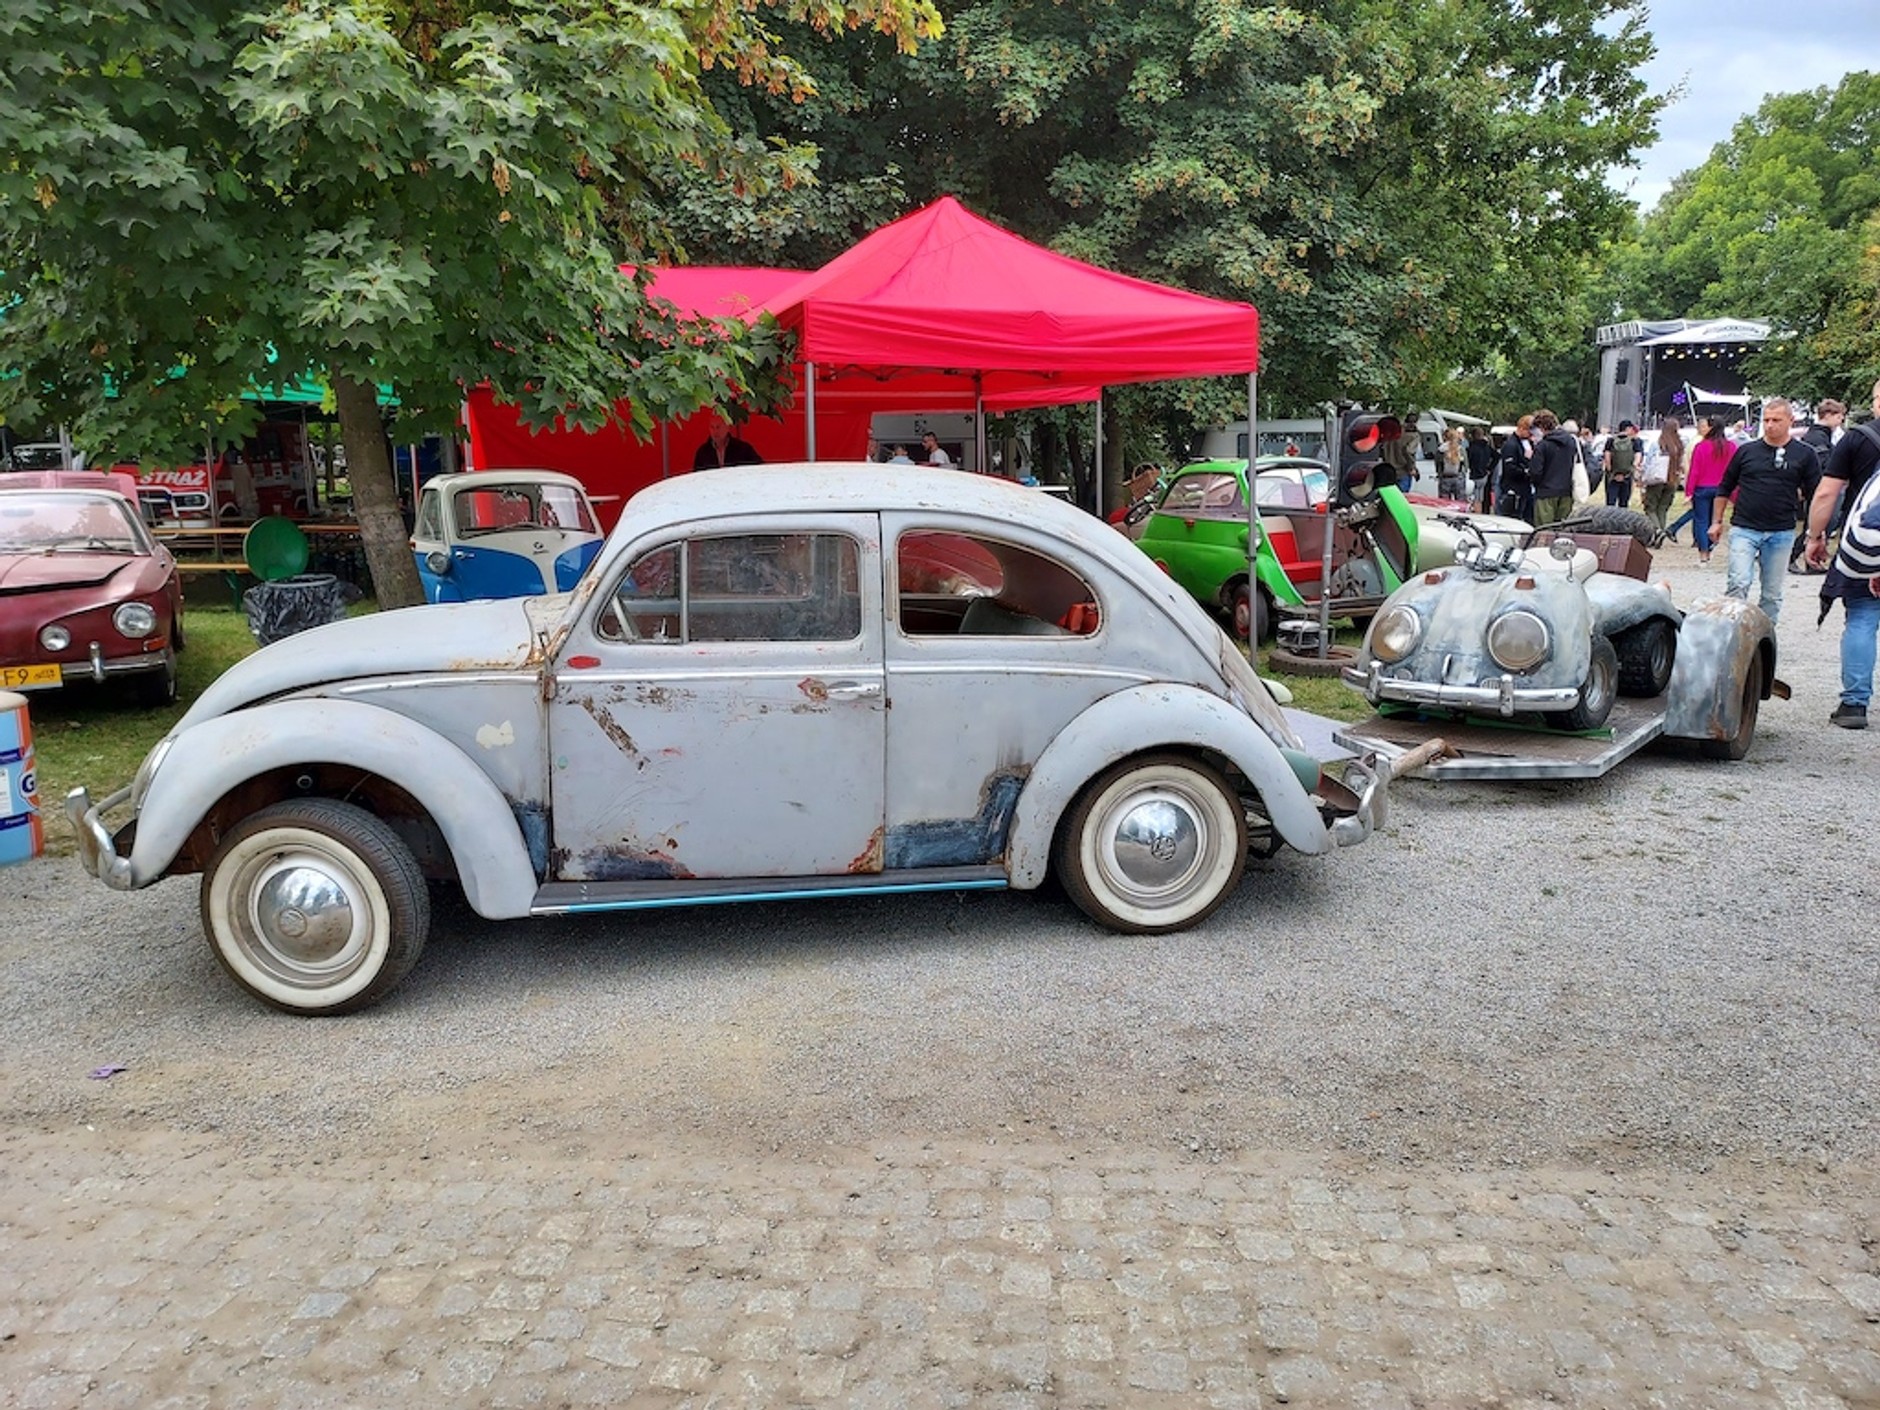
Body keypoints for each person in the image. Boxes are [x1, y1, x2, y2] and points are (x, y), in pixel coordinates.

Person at [1805, 380, 1880, 727]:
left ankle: (1854, 705)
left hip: (1867, 546)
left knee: (1862, 617)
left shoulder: (1858, 439)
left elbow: (1826, 494)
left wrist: (1814, 536)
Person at [1710, 397, 1822, 623]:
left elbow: (1816, 495)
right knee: (1738, 582)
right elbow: (1725, 486)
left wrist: (1816, 532)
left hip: (1781, 530)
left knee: (1771, 593)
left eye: (1776, 420)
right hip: (1744, 527)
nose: (1770, 425)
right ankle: (1731, 631)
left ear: (1790, 420)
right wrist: (1716, 521)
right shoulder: (1746, 451)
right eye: (1766, 420)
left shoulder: (1805, 454)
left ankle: (1765, 635)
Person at [1791, 397, 1846, 571]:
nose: (1841, 420)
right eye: (1839, 416)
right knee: (1816, 525)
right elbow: (1823, 464)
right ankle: (1793, 556)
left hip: (1814, 486)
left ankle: (1810, 561)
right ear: (1828, 415)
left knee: (1816, 525)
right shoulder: (1818, 437)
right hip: (1817, 487)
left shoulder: (1818, 435)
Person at [1528, 410, 1579, 526]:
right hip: (1566, 491)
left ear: (1541, 427)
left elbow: (1535, 472)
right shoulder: (1571, 442)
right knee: (1563, 529)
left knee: (1544, 530)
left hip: (1545, 493)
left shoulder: (1542, 445)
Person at [1639, 418, 1685, 534]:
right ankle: (1661, 530)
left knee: (1650, 508)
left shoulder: (1658, 444)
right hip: (1673, 479)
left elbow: (1648, 463)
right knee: (1662, 509)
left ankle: (1657, 531)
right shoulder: (1679, 446)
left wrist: (1642, 477)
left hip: (1657, 479)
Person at [693, 413, 763, 470]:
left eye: (718, 427)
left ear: (727, 427)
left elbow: (759, 468)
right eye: (712, 427)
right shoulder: (703, 452)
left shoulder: (743, 449)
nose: (715, 431)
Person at [1497, 415, 1534, 520]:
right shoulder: (1511, 445)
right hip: (1514, 490)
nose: (1531, 434)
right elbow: (1510, 468)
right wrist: (1526, 472)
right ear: (1521, 428)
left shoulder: (1527, 443)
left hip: (1525, 489)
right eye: (1529, 431)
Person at [1602, 420, 1643, 508]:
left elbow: (1607, 457)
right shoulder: (1634, 441)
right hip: (1627, 476)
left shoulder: (1611, 440)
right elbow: (1638, 456)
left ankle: (1610, 516)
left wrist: (1610, 471)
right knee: (1624, 503)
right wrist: (1633, 468)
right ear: (1628, 428)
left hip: (1612, 476)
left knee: (1610, 503)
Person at [1465, 426, 1495, 508]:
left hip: (1473, 475)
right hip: (1484, 475)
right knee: (1480, 498)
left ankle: (1475, 511)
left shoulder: (1471, 448)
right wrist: (1490, 468)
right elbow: (1497, 456)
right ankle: (1479, 511)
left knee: (1473, 498)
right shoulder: (1487, 447)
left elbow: (1468, 461)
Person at [1438, 426, 1467, 500]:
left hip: (1445, 477)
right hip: (1458, 477)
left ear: (1444, 437)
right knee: (1460, 501)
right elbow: (1466, 464)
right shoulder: (1461, 449)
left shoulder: (1440, 450)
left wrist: (1439, 473)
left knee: (1445, 501)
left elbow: (1438, 464)